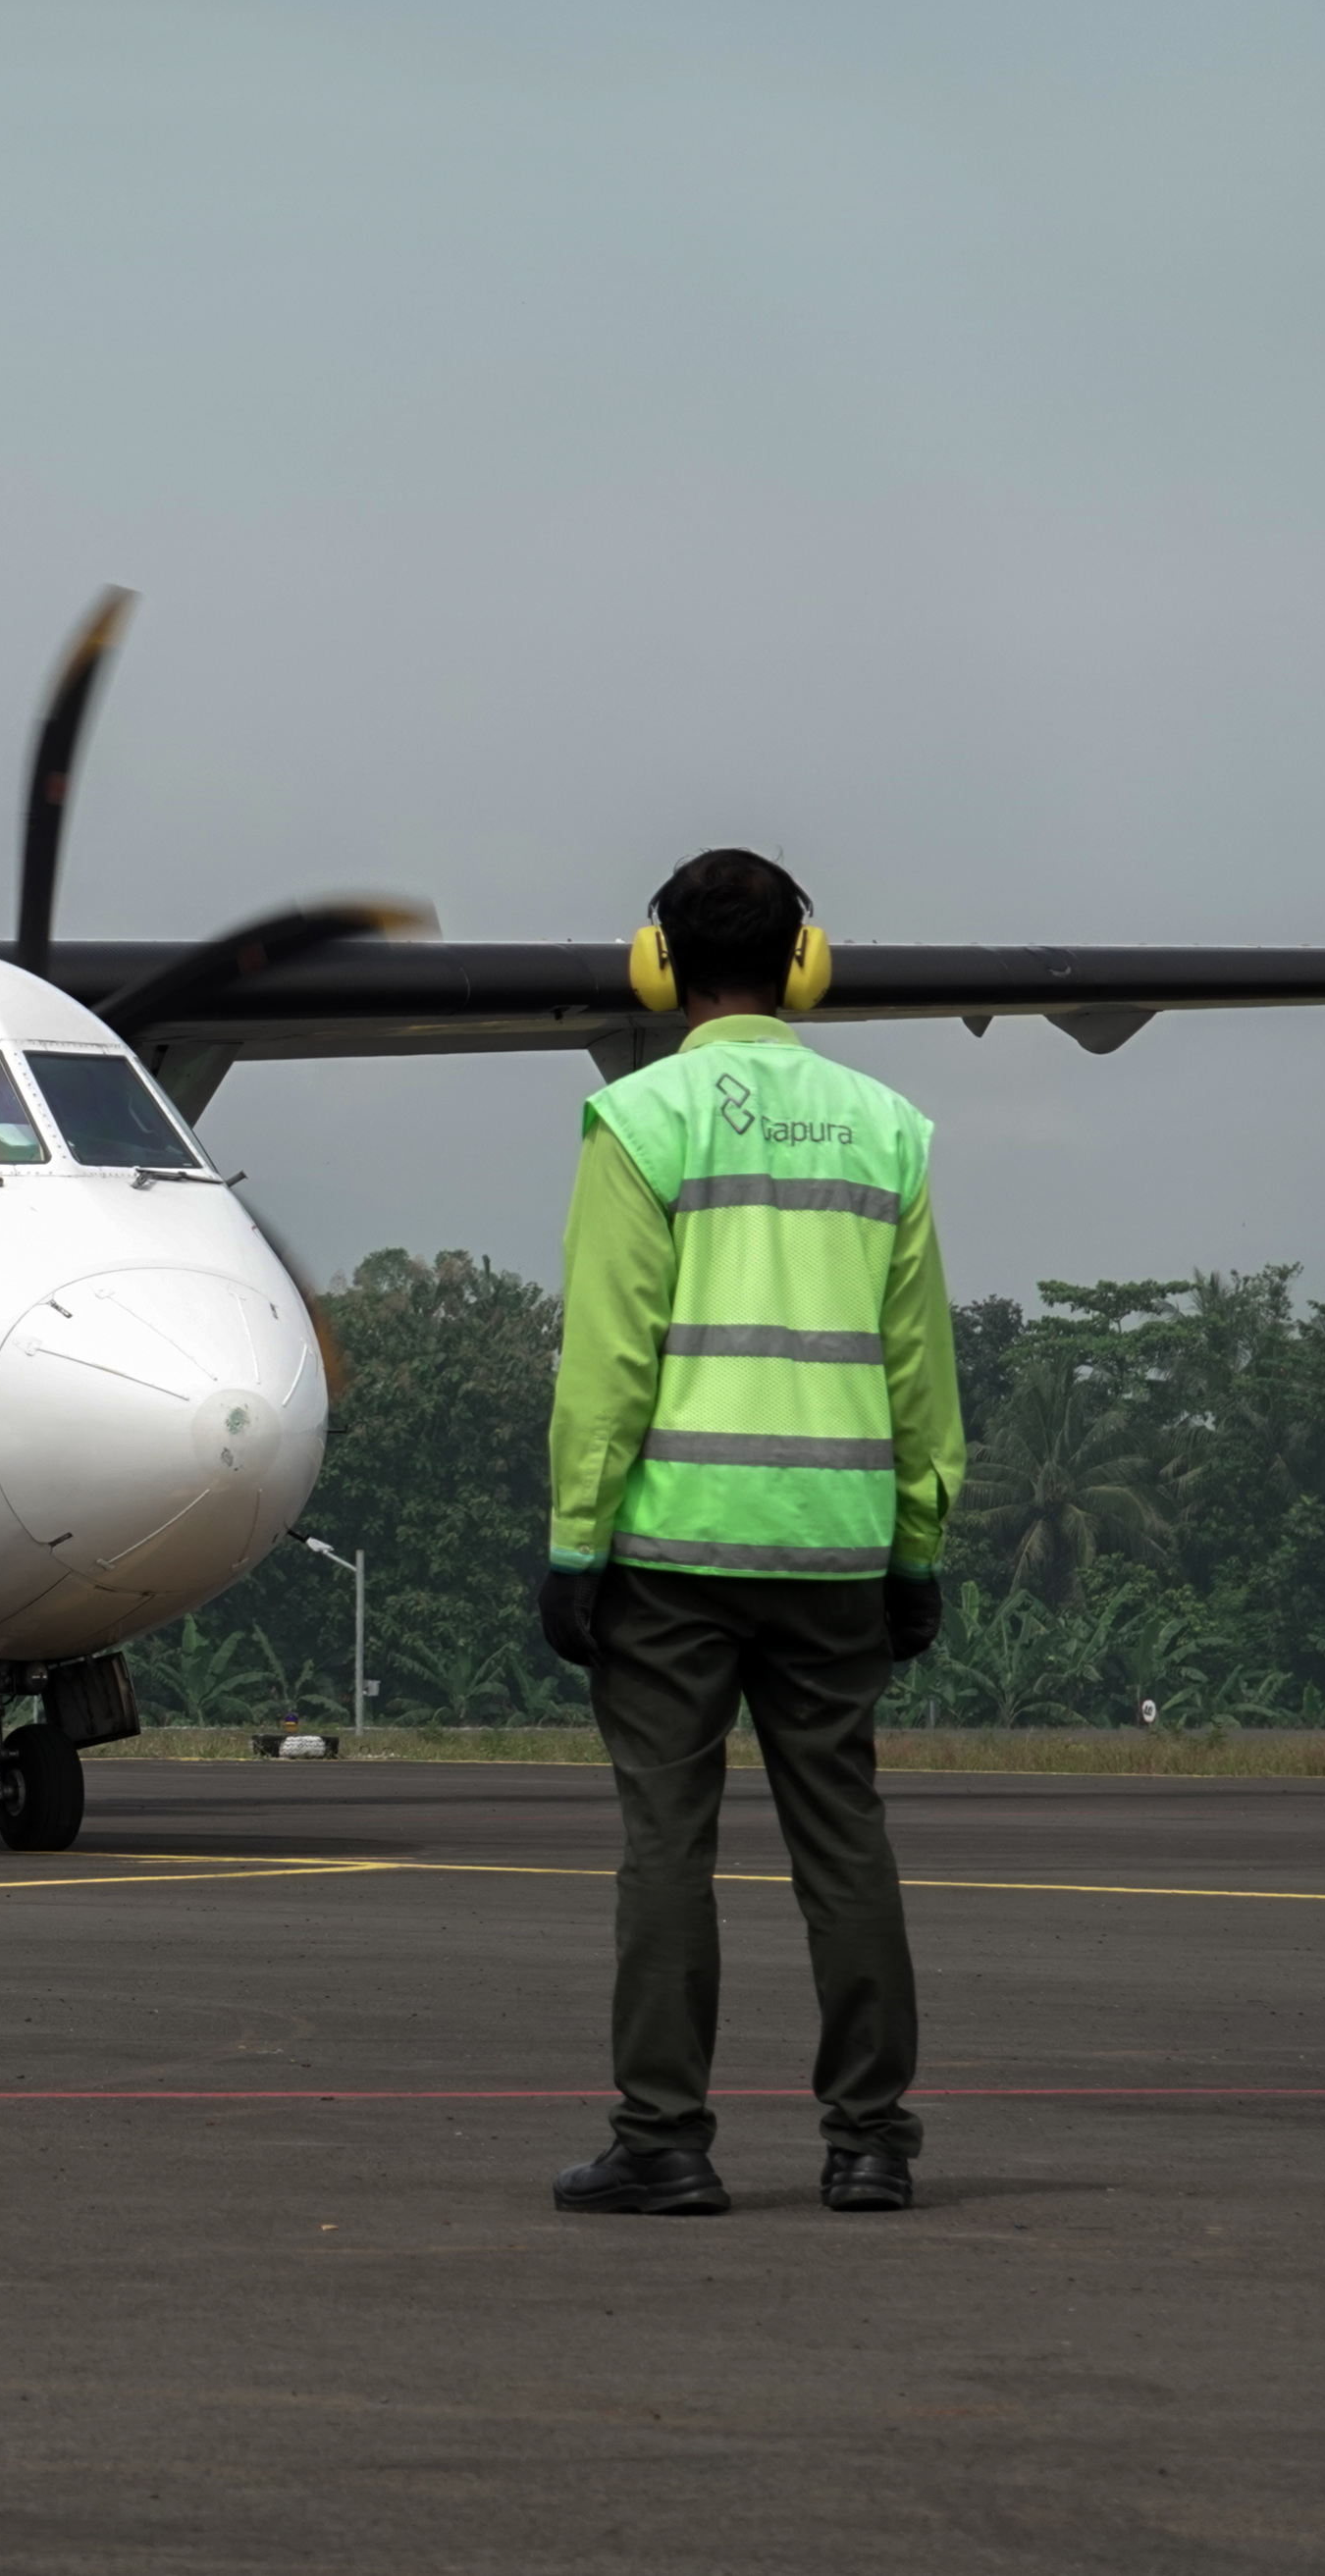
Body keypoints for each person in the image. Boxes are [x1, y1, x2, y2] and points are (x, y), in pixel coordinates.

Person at [536, 849, 964, 2217]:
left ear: (655, 964)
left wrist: (575, 1543)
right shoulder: (887, 1128)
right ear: (805, 960)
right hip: (836, 1544)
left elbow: (606, 1362)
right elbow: (920, 1372)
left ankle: (664, 2141)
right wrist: (916, 1546)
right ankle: (871, 2140)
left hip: (673, 1553)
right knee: (843, 1835)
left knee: (668, 1838)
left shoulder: (641, 1123)